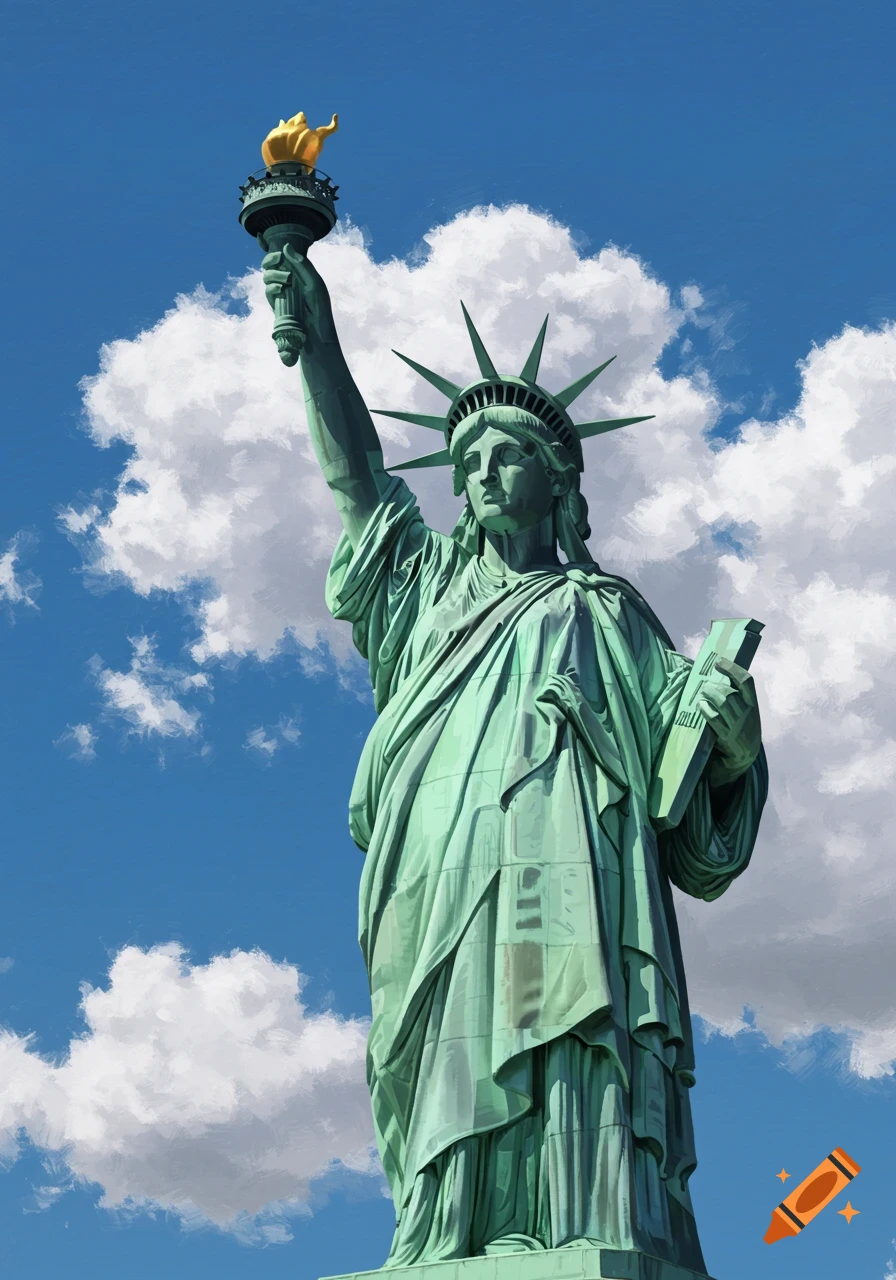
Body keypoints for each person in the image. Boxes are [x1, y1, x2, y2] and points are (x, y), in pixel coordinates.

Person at [263, 243, 767, 1274]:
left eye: (509, 453)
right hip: (436, 862)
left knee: (572, 1024)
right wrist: (313, 333)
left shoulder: (607, 610)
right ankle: (443, 1230)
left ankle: (588, 1219)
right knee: (441, 1042)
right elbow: (356, 475)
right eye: (468, 460)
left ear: (558, 478)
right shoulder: (420, 593)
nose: (483, 473)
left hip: (570, 864)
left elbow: (692, 798)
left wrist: (732, 735)